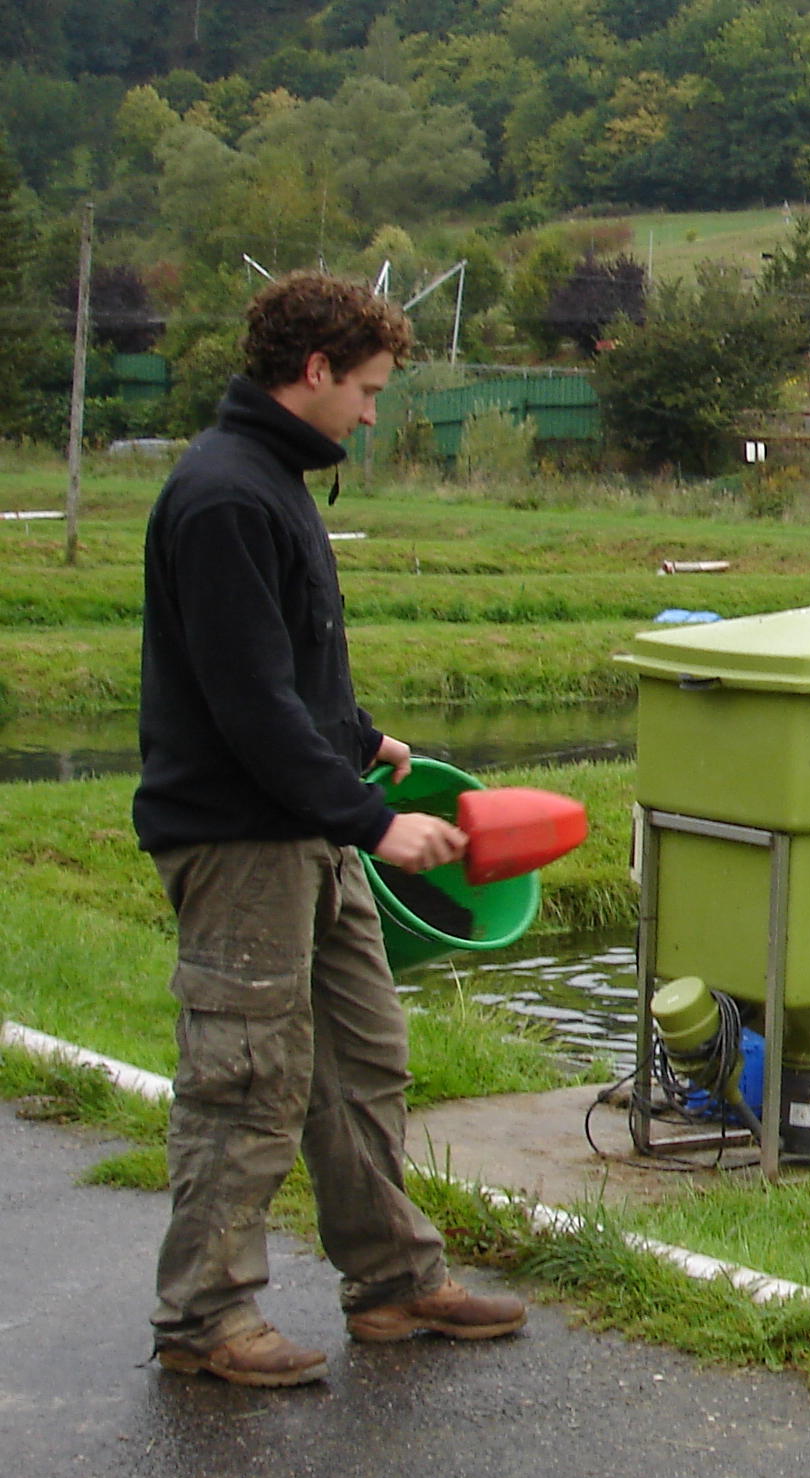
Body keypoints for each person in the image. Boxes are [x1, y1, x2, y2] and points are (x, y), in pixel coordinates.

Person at [134, 272, 526, 1388]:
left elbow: (291, 669)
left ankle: (397, 1284)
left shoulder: (275, 483)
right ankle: (205, 1317)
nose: (371, 412)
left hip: (305, 821)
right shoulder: (224, 497)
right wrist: (375, 821)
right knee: (247, 1075)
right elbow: (245, 701)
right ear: (312, 372)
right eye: (365, 389)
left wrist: (362, 739)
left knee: (362, 1058)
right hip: (243, 839)